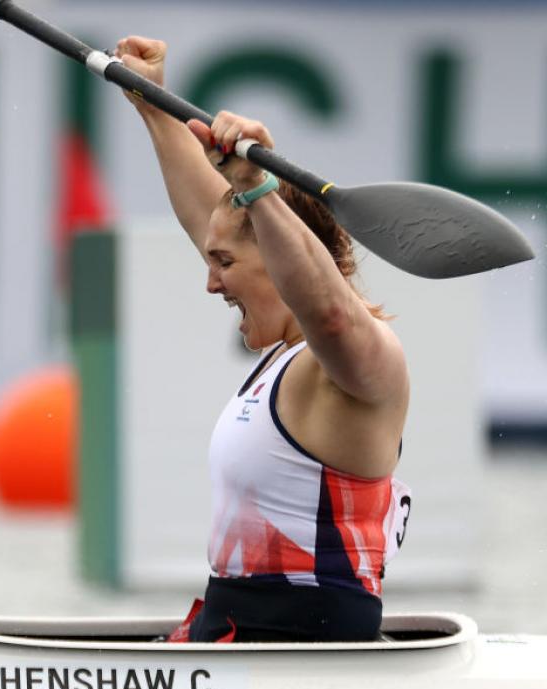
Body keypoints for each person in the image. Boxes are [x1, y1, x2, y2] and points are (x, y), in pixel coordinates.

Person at [115, 36, 412, 643]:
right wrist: (150, 99)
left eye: (224, 263)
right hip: (237, 634)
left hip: (312, 652)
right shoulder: (283, 352)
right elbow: (213, 217)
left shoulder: (360, 361)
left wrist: (256, 189)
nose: (210, 283)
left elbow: (328, 312)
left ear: (279, 258)